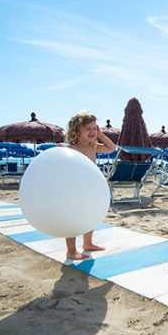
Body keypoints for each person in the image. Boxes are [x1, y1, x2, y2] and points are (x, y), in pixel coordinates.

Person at [65, 111, 117, 260]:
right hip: (75, 188)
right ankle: (71, 250)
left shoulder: (93, 147)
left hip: (89, 187)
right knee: (73, 218)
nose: (93, 131)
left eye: (95, 128)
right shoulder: (70, 149)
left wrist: (100, 135)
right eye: (88, 128)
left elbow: (112, 148)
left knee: (89, 215)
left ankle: (87, 243)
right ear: (76, 131)